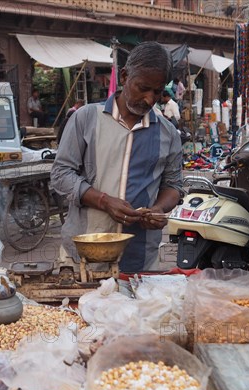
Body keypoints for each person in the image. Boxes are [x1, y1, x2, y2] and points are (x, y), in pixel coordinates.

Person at [51, 41, 183, 273]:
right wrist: (104, 201)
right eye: (143, 88)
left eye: (157, 92)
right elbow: (61, 175)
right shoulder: (86, 118)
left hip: (140, 259)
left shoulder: (168, 132)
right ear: (124, 76)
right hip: (83, 256)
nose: (150, 99)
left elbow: (173, 185)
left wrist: (159, 209)